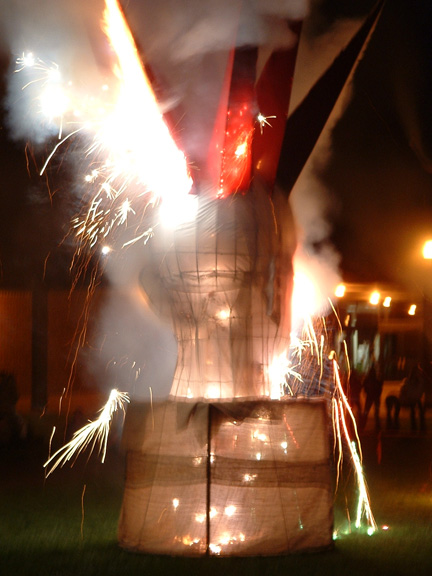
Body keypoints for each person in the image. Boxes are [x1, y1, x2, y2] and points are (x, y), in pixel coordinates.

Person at [360, 363, 383, 431]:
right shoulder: (376, 380)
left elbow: (363, 386)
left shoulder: (368, 380)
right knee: (375, 413)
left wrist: (366, 392)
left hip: (370, 397)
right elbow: (380, 388)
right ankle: (377, 427)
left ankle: (362, 425)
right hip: (375, 397)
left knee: (366, 412)